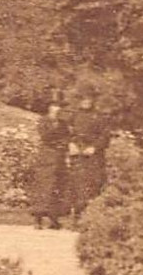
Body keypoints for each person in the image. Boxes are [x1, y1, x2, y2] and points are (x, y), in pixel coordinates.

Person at [64, 89, 112, 221]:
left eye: (89, 99)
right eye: (83, 99)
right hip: (77, 154)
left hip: (92, 156)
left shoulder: (100, 117)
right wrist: (70, 144)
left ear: (93, 101)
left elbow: (105, 136)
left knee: (92, 184)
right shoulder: (73, 116)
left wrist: (94, 147)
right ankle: (76, 217)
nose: (86, 102)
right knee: (76, 184)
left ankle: (90, 217)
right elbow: (66, 133)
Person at [29, 91, 71, 229]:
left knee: (57, 187)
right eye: (54, 105)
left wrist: (63, 145)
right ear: (49, 107)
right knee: (43, 186)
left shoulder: (63, 123)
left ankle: (54, 218)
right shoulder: (44, 121)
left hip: (59, 158)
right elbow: (45, 136)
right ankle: (38, 219)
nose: (56, 108)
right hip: (46, 157)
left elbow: (67, 138)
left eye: (59, 106)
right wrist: (54, 124)